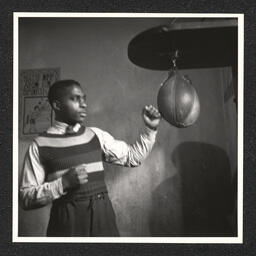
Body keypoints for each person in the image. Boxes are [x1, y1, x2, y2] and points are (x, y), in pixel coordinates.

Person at [19, 79, 161, 237]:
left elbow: (133, 158)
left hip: (103, 218)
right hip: (66, 224)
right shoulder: (39, 145)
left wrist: (151, 129)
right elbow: (25, 198)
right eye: (75, 99)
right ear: (57, 105)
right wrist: (62, 184)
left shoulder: (96, 135)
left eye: (84, 99)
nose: (84, 104)